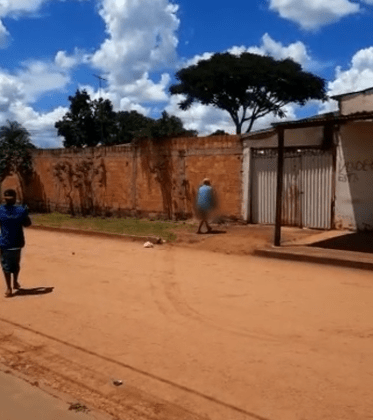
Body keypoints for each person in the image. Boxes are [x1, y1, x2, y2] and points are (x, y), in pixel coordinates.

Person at [0, 189, 31, 297]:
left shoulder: (2, 210)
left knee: (8, 265)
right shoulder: (20, 210)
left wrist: (25, 214)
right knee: (12, 265)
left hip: (9, 243)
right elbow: (27, 224)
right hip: (12, 243)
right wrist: (26, 214)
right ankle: (11, 285)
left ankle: (11, 285)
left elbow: (27, 223)